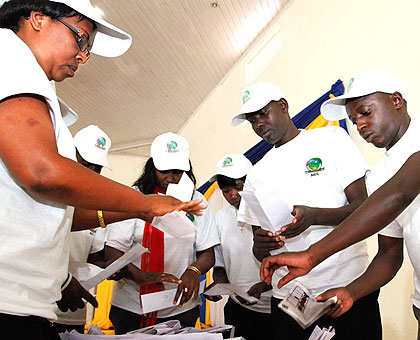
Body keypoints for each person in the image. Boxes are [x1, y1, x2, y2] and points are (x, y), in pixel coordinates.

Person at [0, 1, 203, 338]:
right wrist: (144, 204)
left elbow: (53, 213)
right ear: (38, 19)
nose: (83, 56)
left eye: (88, 49)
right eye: (81, 39)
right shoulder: (13, 59)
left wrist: (136, 213)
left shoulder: (25, 69)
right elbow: (41, 172)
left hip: (23, 299)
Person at [260, 70, 420, 338]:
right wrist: (352, 291)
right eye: (354, 120)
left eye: (366, 112)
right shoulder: (380, 175)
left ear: (396, 100)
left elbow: (400, 193)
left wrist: (312, 254)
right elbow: (389, 255)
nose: (360, 126)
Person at [231, 81, 381, 339]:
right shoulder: (257, 174)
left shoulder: (331, 139)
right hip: (289, 299)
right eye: (252, 121)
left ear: (283, 106)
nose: (259, 125)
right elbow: (259, 251)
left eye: (263, 114)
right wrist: (261, 243)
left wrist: (314, 216)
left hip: (346, 287)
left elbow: (363, 208)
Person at [105, 132, 220, 334]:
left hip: (180, 306)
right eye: (164, 170)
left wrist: (194, 271)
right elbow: (113, 252)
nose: (170, 177)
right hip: (132, 306)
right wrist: (137, 275)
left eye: (177, 171)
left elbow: (207, 253)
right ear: (152, 167)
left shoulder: (196, 200)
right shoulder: (134, 197)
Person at [204, 154, 273, 340]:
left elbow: (288, 261)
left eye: (238, 187)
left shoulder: (271, 212)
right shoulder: (220, 217)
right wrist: (220, 283)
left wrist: (264, 286)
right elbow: (220, 263)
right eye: (226, 191)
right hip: (237, 308)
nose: (233, 195)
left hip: (273, 307)